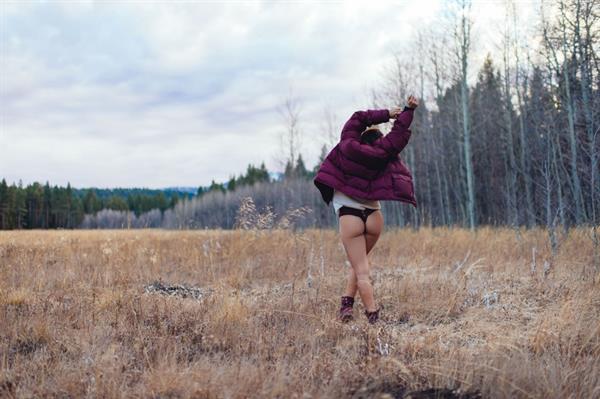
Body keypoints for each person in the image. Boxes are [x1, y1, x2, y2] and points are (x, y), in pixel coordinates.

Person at [313, 95, 419, 324]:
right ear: (378, 140)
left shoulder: (348, 144)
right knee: (359, 263)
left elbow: (358, 118)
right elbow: (398, 137)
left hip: (350, 215)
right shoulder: (382, 153)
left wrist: (387, 113)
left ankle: (373, 317)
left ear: (361, 135)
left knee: (361, 270)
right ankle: (346, 305)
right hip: (373, 217)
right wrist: (408, 110)